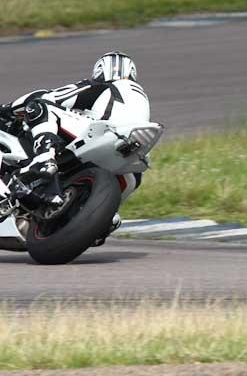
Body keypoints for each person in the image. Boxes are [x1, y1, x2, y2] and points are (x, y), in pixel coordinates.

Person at [0, 51, 147, 241]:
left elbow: (53, 97)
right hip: (131, 163)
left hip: (99, 133)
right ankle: (104, 218)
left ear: (101, 71)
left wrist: (7, 110)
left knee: (39, 105)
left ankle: (44, 157)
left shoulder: (102, 87)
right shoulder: (139, 99)